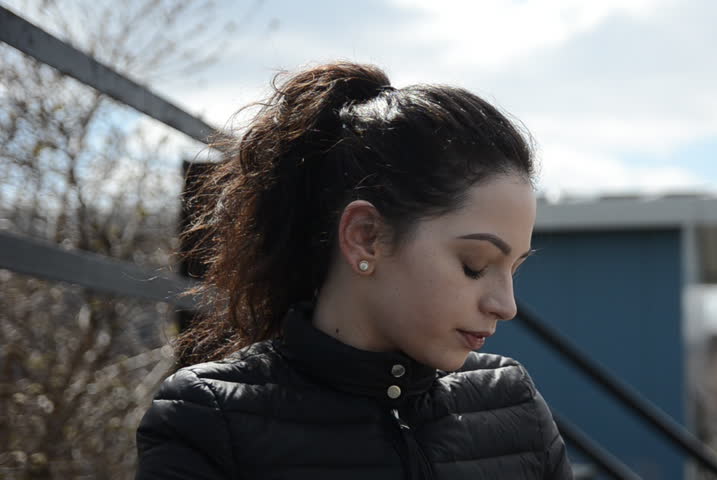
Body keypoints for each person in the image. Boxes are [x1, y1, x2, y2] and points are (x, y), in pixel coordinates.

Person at [135, 62, 572, 480]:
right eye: (474, 266)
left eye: (514, 268)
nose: (506, 305)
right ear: (365, 236)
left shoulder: (512, 402)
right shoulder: (208, 418)